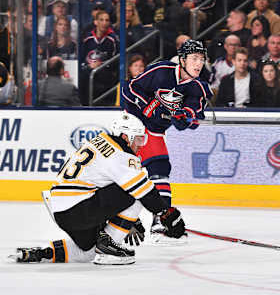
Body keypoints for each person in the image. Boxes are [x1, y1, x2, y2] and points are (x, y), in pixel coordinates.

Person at [12, 112, 186, 265]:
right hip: (80, 208)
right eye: (138, 139)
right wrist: (167, 214)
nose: (141, 145)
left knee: (87, 251)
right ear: (125, 137)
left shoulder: (99, 141)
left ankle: (42, 253)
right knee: (140, 187)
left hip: (62, 211)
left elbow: (106, 184)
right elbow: (144, 191)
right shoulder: (121, 154)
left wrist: (133, 220)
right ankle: (108, 244)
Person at [121, 39, 213, 242]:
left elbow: (191, 117)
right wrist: (147, 107)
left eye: (202, 59)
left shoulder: (198, 87)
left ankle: (159, 220)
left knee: (158, 170)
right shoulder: (162, 70)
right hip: (133, 124)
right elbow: (129, 89)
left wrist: (184, 118)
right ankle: (128, 219)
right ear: (182, 60)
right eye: (194, 58)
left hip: (154, 130)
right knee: (142, 170)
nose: (199, 63)